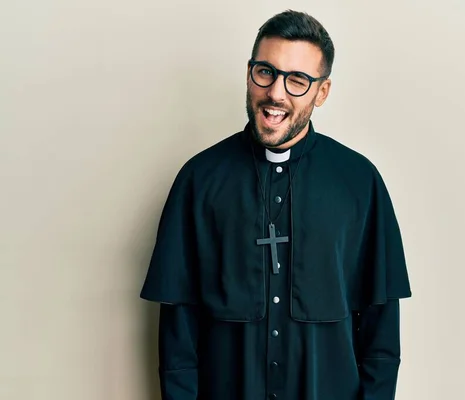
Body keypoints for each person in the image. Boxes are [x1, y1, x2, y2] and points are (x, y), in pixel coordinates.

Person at [140, 9, 412, 400]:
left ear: (322, 91)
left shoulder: (359, 182)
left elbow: (381, 331)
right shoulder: (199, 180)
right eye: (265, 72)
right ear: (250, 72)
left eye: (297, 80)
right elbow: (178, 333)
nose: (276, 93)